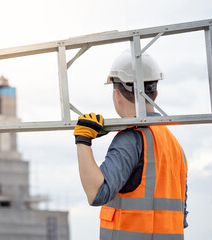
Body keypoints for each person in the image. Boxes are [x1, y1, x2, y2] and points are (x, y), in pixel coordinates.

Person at [73, 50, 188, 240]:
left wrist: (83, 141)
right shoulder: (175, 146)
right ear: (155, 94)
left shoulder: (131, 138)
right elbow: (180, 215)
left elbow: (96, 193)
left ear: (116, 95)